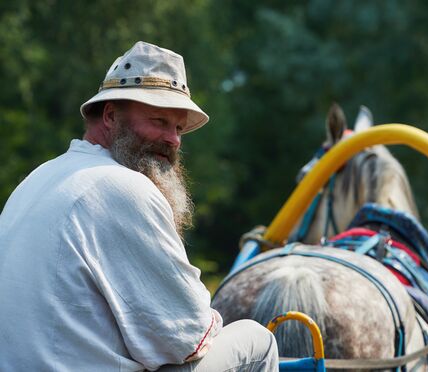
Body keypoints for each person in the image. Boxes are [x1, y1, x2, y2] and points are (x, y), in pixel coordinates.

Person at [0, 41, 278, 371]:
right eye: (159, 120)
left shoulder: (40, 176)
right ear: (110, 115)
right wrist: (209, 319)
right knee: (257, 339)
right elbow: (188, 338)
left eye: (178, 128)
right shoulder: (122, 187)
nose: (174, 140)